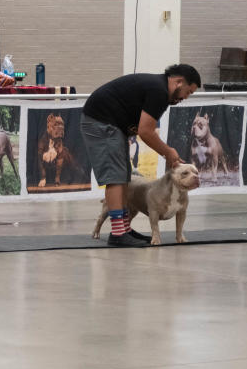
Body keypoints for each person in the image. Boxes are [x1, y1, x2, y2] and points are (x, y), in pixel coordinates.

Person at [81, 64, 201, 247]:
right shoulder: (159, 91)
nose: (186, 97)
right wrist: (167, 151)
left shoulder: (159, 89)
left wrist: (165, 150)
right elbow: (146, 132)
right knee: (115, 176)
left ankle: (123, 229)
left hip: (111, 124)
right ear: (179, 82)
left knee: (123, 177)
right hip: (100, 121)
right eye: (188, 91)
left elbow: (145, 128)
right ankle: (118, 233)